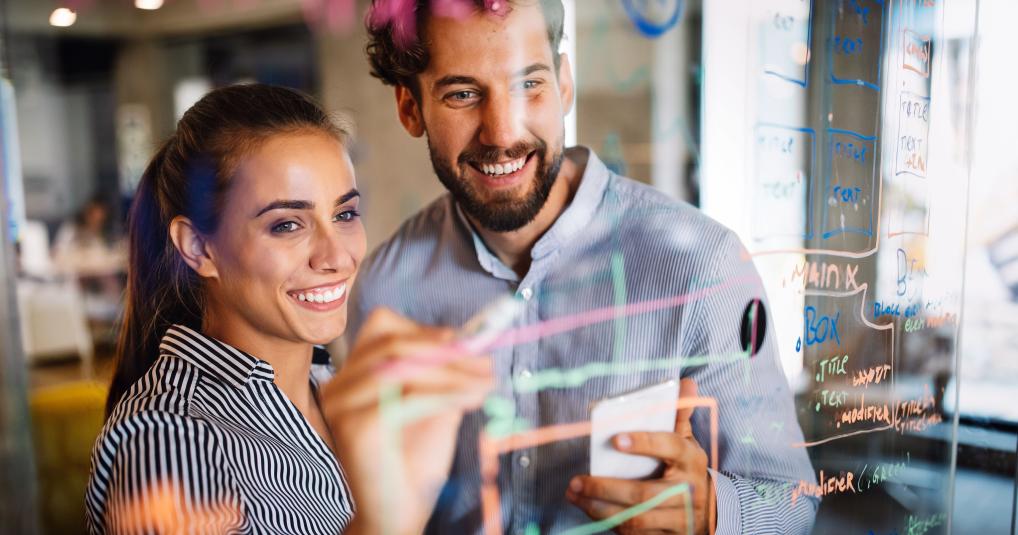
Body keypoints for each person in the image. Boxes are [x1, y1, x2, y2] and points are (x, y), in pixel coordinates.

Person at [348, 1, 819, 533]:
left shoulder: (703, 267)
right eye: (463, 93)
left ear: (564, 82)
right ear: (410, 108)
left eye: (530, 84)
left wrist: (714, 510)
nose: (503, 132)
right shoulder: (385, 290)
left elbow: (793, 504)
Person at [86, 83, 492, 534]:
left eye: (344, 215)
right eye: (286, 225)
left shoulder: (335, 386)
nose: (336, 257)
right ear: (198, 247)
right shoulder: (167, 444)